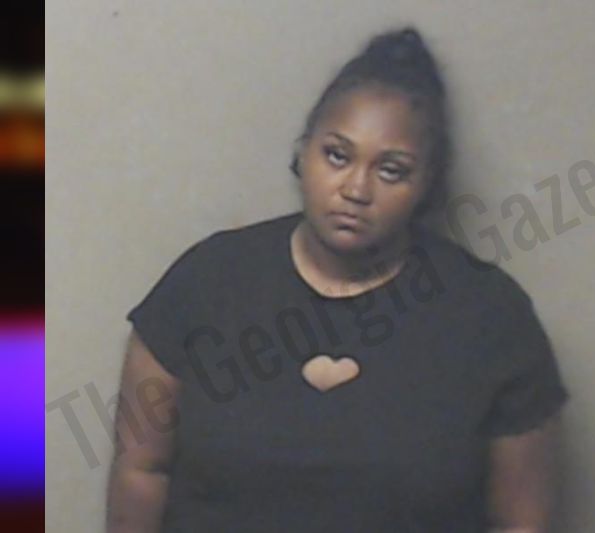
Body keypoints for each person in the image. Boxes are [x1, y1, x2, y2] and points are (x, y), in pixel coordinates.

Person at [106, 27, 569, 533]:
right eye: (337, 155)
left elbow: (521, 522)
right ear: (303, 152)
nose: (355, 189)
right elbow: (140, 470)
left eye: (391, 170)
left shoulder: (490, 317)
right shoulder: (206, 284)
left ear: (427, 185)